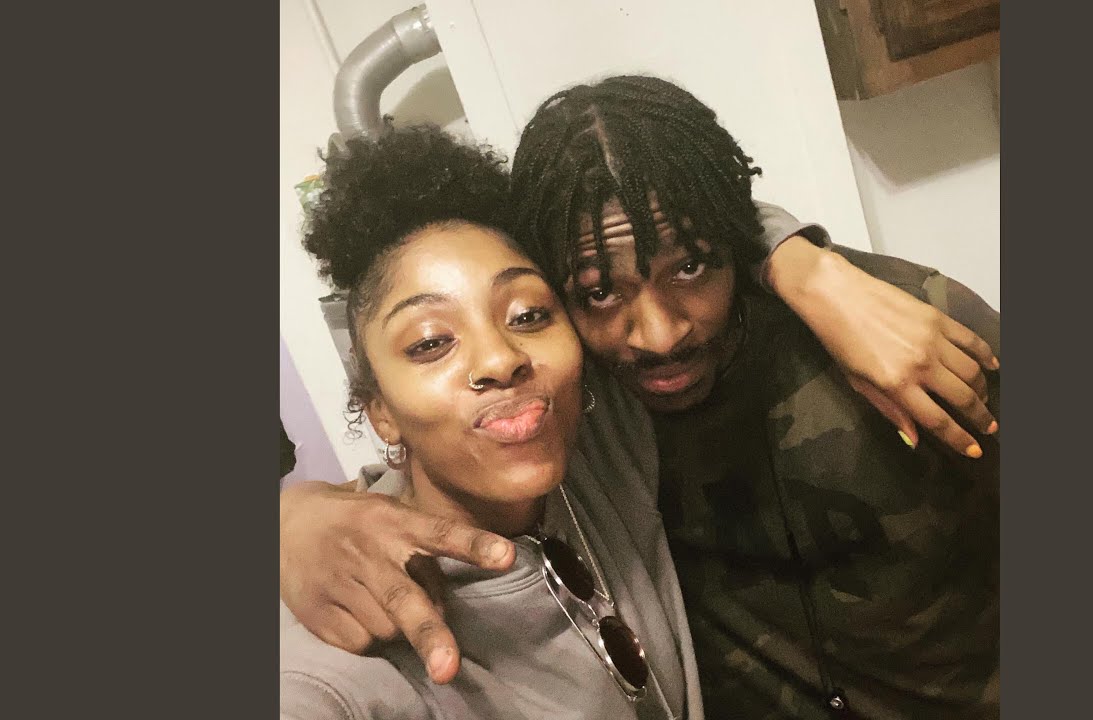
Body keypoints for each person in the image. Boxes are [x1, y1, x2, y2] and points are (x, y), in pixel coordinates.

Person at [281, 76, 1001, 719]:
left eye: (690, 269)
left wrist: (808, 265)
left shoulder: (902, 331)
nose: (658, 337)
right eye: (597, 292)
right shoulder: (584, 415)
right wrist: (287, 518)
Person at [282, 124, 701, 719]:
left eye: (528, 315)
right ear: (381, 410)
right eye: (431, 343)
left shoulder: (597, 443)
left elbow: (706, 229)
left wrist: (805, 265)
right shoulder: (339, 662)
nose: (501, 360)